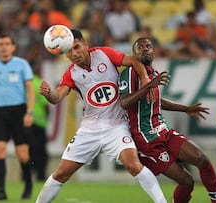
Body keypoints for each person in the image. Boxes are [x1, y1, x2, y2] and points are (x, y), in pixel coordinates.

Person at [35, 29, 167, 203]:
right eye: (69, 51)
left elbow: (134, 61)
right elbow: (56, 98)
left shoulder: (104, 54)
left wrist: (144, 79)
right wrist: (48, 94)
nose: (74, 53)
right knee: (61, 173)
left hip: (116, 125)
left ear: (86, 44)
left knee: (133, 165)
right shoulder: (71, 74)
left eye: (77, 47)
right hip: (89, 129)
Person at [119, 37, 216, 203]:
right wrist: (148, 86)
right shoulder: (129, 73)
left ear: (153, 51)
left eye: (148, 46)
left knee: (202, 159)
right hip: (146, 139)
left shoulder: (154, 73)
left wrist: (186, 109)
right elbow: (124, 102)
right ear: (133, 52)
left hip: (163, 130)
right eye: (140, 47)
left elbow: (157, 102)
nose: (145, 49)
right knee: (187, 182)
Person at [0, 34, 35, 200]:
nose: (3, 47)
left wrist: (29, 112)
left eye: (7, 44)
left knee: (23, 154)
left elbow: (30, 89)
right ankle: (1, 190)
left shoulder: (22, 64)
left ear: (13, 47)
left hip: (19, 111)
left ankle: (28, 184)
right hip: (0, 113)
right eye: (0, 44)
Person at [27, 69, 49, 181]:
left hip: (26, 123)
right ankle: (41, 175)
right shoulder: (38, 83)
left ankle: (25, 176)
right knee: (41, 151)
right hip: (40, 123)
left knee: (27, 150)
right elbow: (46, 105)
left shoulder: (23, 84)